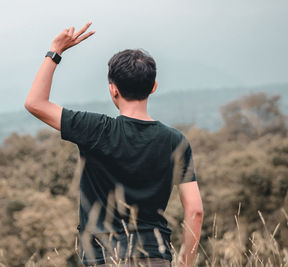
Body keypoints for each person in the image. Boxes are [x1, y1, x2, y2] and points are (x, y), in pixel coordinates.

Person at [24, 22, 203, 267]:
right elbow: (195, 211)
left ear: (113, 89)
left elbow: (35, 103)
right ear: (154, 87)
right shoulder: (175, 141)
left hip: (102, 257)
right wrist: (185, 263)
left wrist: (55, 50)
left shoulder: (95, 129)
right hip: (155, 257)